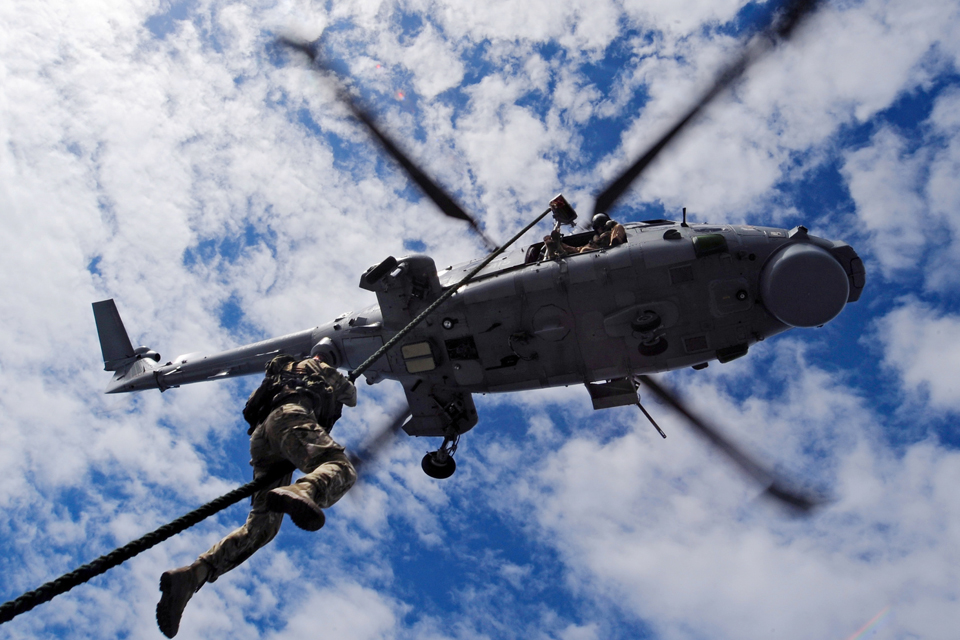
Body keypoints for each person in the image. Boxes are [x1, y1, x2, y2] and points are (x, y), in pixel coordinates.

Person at [155, 339, 357, 638]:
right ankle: (305, 490)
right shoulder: (316, 364)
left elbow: (251, 410)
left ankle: (193, 575)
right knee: (341, 468)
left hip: (265, 441)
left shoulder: (275, 377)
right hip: (291, 419)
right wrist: (343, 379)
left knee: (263, 527)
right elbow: (351, 396)